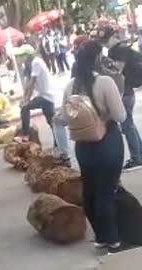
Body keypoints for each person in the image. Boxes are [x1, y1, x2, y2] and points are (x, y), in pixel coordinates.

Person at [61, 40, 126, 254]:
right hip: (108, 142)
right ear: (98, 58)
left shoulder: (71, 86)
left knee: (90, 191)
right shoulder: (106, 82)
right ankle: (114, 240)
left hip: (83, 147)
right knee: (106, 193)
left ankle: (100, 236)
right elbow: (120, 116)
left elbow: (62, 118)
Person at [101, 26, 142, 170]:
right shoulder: (116, 49)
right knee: (129, 124)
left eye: (106, 39)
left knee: (127, 125)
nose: (105, 43)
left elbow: (118, 70)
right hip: (126, 90)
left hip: (126, 92)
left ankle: (137, 157)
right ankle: (139, 155)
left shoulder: (120, 49)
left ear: (113, 36)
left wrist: (104, 63)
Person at [15, 44, 56, 143]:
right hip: (43, 95)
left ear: (28, 55)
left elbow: (32, 83)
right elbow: (28, 85)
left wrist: (26, 100)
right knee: (51, 121)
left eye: (21, 56)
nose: (20, 58)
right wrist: (24, 99)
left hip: (47, 96)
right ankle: (57, 142)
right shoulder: (29, 65)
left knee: (25, 108)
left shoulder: (36, 62)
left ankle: (25, 134)